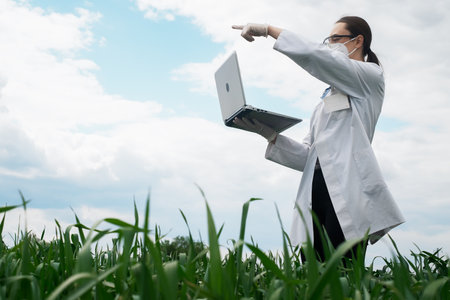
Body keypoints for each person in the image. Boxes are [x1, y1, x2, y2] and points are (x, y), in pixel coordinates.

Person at [232, 16, 405, 261]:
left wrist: (270, 30)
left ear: (358, 40)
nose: (330, 44)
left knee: (343, 271)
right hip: (317, 189)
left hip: (348, 187)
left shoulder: (370, 76)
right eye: (328, 39)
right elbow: (309, 156)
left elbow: (319, 58)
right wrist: (270, 135)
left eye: (336, 38)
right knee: (311, 272)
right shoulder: (323, 103)